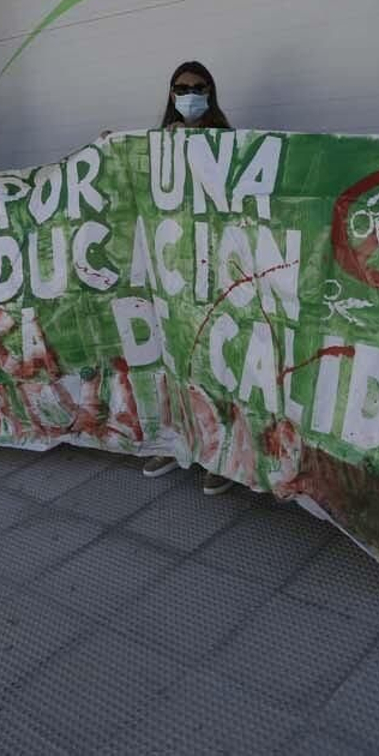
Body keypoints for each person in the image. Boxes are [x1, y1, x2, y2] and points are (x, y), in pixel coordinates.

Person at [141, 61, 236, 496]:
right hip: (170, 272)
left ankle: (222, 456)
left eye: (199, 87)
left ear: (211, 93)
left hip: (213, 269)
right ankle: (176, 442)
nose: (190, 94)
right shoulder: (160, 140)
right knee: (172, 358)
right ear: (171, 94)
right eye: (182, 88)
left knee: (215, 364)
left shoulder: (227, 139)